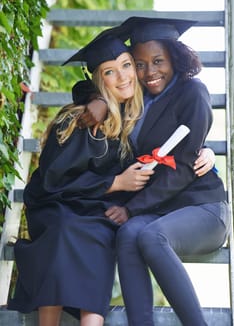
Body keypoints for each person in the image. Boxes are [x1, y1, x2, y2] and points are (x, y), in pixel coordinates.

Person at [7, 33, 154, 326]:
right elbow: (51, 182)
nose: (122, 77)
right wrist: (115, 183)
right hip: (56, 207)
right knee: (64, 231)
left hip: (99, 215)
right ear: (99, 79)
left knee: (97, 236)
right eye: (109, 71)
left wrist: (207, 155)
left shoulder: (138, 117)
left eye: (126, 65)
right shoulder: (79, 119)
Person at [103, 17, 230, 326]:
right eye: (141, 64)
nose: (150, 72)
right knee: (129, 234)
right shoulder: (136, 101)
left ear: (175, 56)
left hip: (202, 207)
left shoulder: (193, 93)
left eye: (158, 61)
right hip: (160, 208)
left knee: (150, 236)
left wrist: (131, 208)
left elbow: (186, 165)